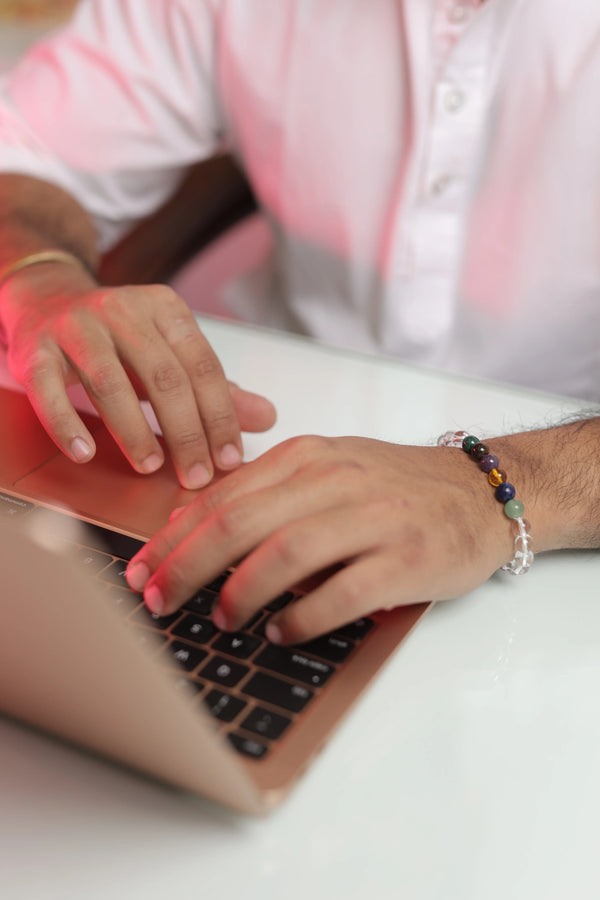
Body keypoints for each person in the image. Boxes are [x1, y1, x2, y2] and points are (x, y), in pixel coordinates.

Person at [0, 0, 598, 645]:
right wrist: (39, 277)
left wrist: (498, 488)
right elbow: (29, 156)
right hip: (244, 443)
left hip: (560, 519)